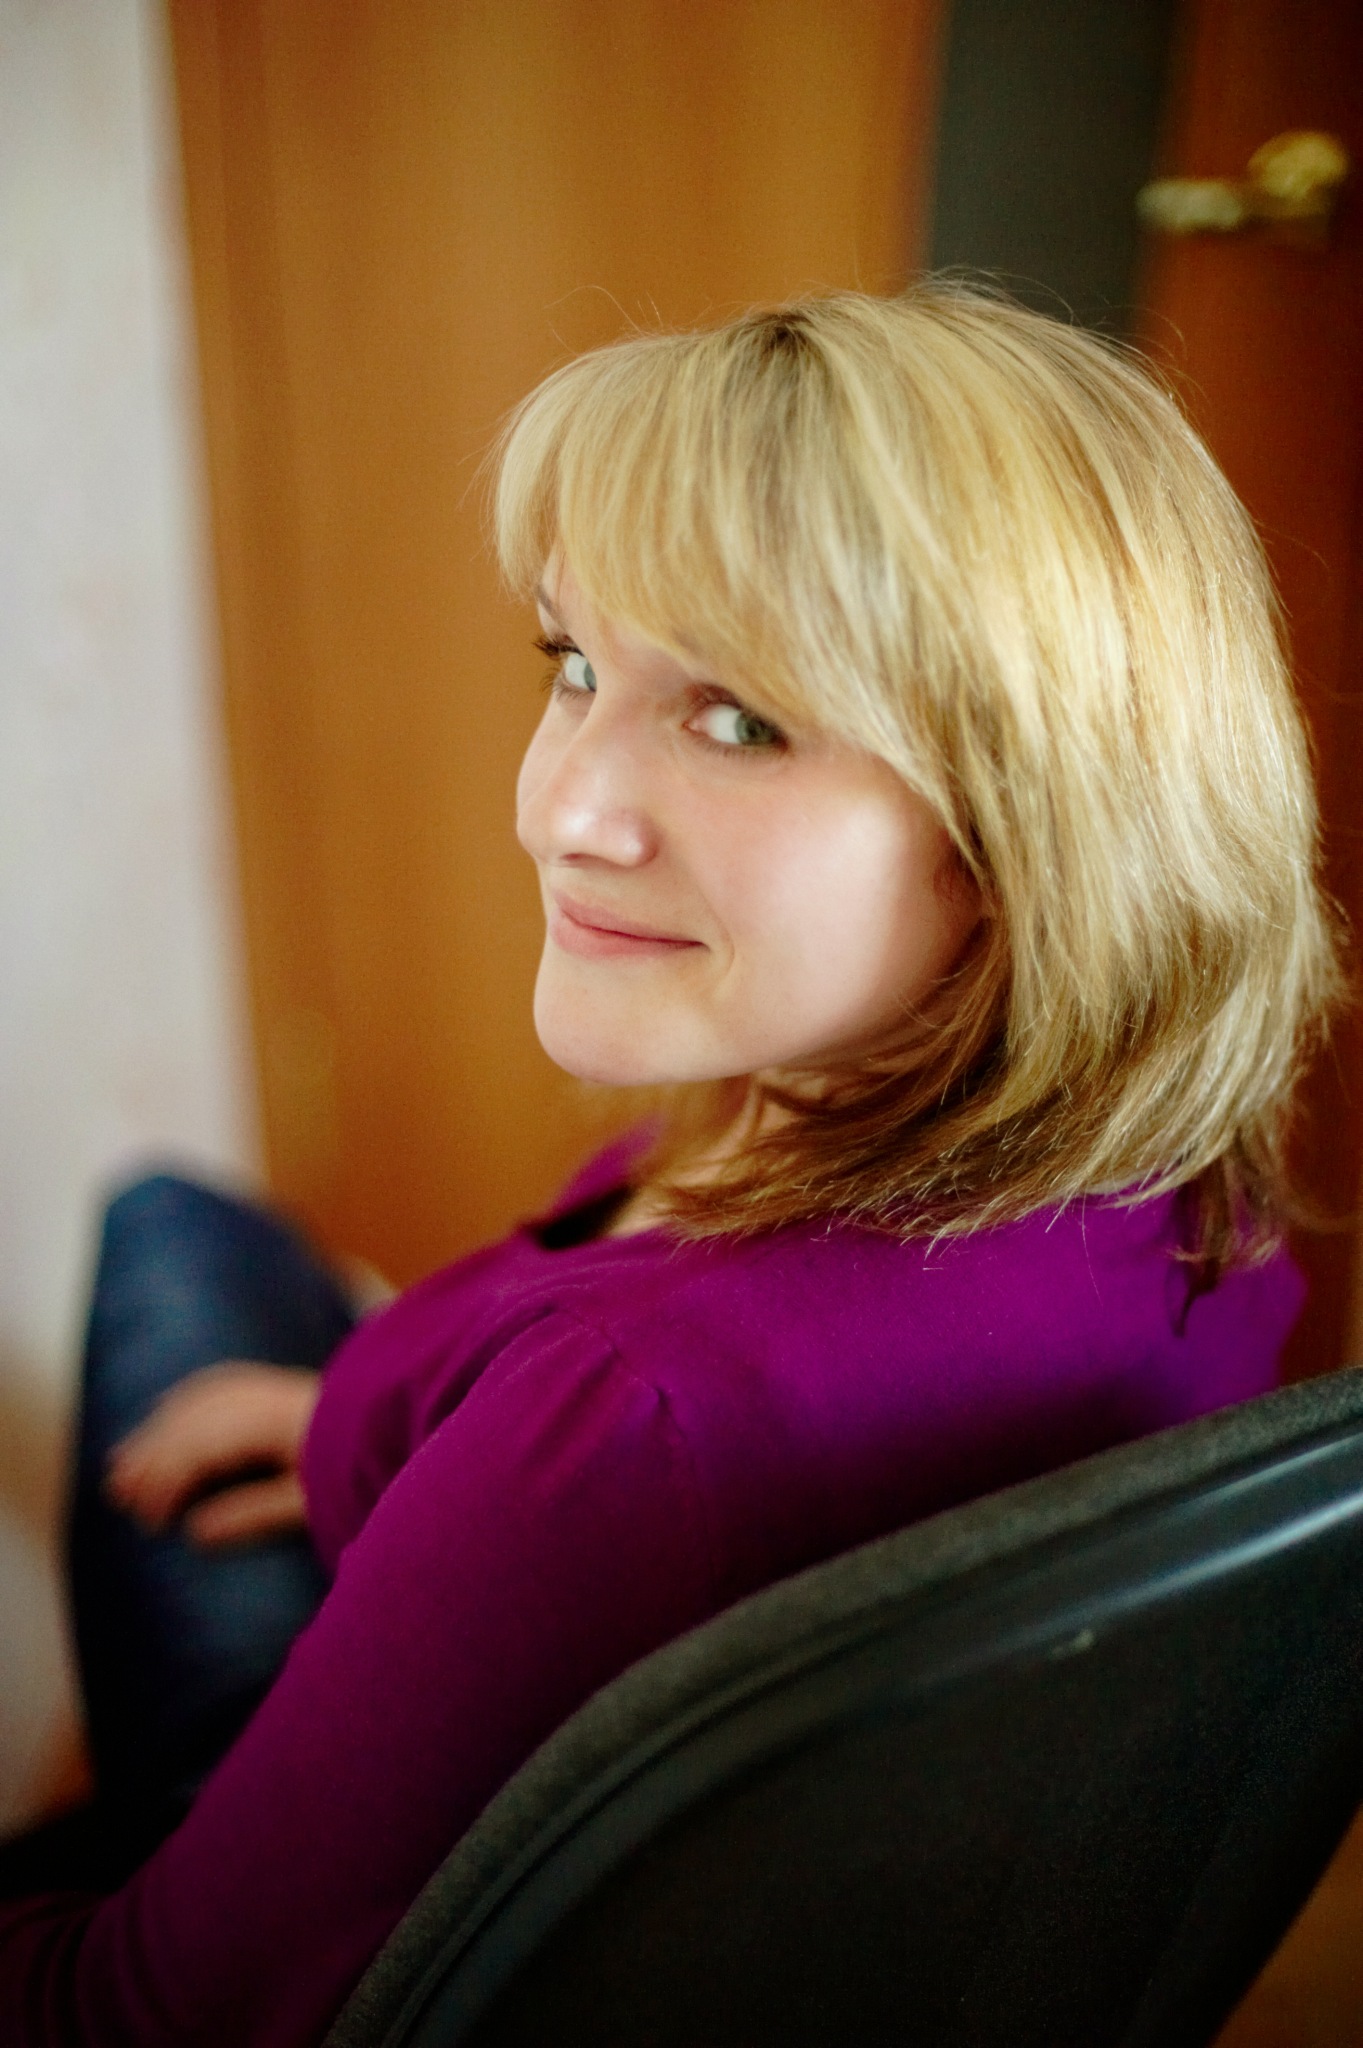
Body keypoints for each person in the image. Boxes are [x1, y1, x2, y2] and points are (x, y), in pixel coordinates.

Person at [0, 284, 1339, 2045]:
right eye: (572, 665)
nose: (560, 808)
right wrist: (351, 1430)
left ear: (1035, 830)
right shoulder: (1194, 1188)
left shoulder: (621, 1422)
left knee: (167, 1219)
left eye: (737, 721)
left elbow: (139, 2016)